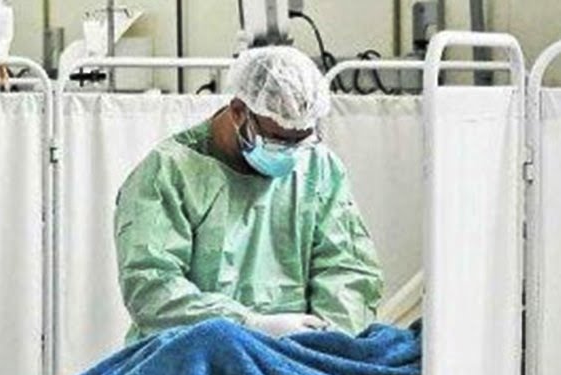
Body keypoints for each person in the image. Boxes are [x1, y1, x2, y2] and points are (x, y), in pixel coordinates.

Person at [113, 40, 383, 342]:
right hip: (192, 352)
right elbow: (152, 288)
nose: (291, 152)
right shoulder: (167, 173)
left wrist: (328, 342)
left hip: (296, 355)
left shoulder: (318, 167)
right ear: (239, 111)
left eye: (302, 139)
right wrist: (248, 325)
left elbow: (347, 269)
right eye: (278, 139)